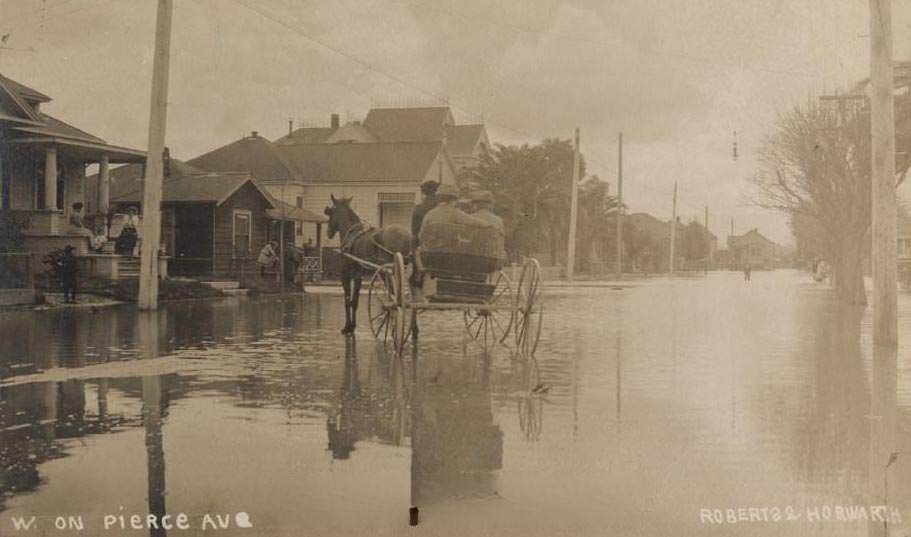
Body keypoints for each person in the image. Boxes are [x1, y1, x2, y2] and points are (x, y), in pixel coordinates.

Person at [411, 180, 439, 247]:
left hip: (423, 242)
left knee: (413, 238)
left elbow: (414, 231)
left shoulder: (418, 208)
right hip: (440, 240)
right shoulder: (440, 207)